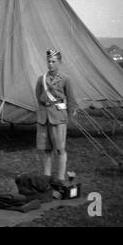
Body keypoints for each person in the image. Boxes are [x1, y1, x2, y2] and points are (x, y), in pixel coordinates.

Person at [35, 49, 77, 182]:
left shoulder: (65, 79)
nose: (50, 64)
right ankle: (46, 178)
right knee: (46, 149)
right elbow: (38, 96)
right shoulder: (41, 79)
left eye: (53, 61)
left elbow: (71, 100)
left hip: (58, 118)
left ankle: (60, 178)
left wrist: (68, 116)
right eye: (49, 61)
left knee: (60, 149)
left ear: (59, 62)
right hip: (44, 118)